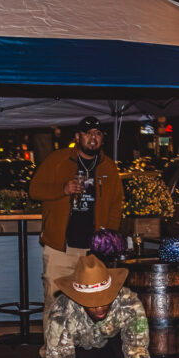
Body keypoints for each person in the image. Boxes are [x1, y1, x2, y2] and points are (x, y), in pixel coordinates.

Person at [30, 116, 123, 318]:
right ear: (78, 137)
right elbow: (34, 190)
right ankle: (53, 350)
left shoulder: (109, 167)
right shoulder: (58, 159)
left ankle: (83, 349)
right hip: (60, 248)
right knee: (55, 304)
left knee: (90, 306)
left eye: (97, 134)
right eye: (88, 133)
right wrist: (62, 189)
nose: (93, 138)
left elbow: (116, 204)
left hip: (94, 252)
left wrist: (107, 238)